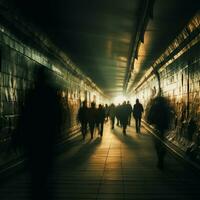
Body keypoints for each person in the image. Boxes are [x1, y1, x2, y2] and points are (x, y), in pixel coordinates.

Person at [17, 68, 62, 199]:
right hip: (47, 138)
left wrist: (21, 135)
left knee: (35, 170)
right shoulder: (51, 94)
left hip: (33, 139)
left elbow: (25, 116)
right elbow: (57, 116)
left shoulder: (31, 94)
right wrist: (56, 132)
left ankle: (37, 191)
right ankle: (44, 190)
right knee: (46, 167)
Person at [146, 96, 173, 170]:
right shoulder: (166, 107)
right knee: (162, 141)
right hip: (164, 127)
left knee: (157, 143)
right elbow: (170, 116)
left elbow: (149, 117)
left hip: (157, 126)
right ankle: (162, 155)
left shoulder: (154, 106)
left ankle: (160, 158)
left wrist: (150, 121)